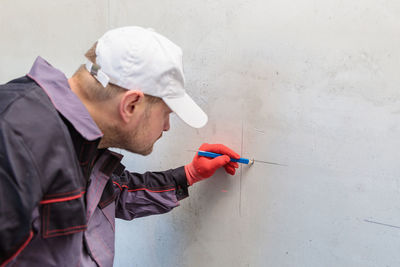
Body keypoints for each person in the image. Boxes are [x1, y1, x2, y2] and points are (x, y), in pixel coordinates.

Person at [0, 26, 240, 267]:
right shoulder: (14, 136)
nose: (166, 127)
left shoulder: (80, 137)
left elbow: (113, 191)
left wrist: (189, 174)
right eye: (166, 114)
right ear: (131, 104)